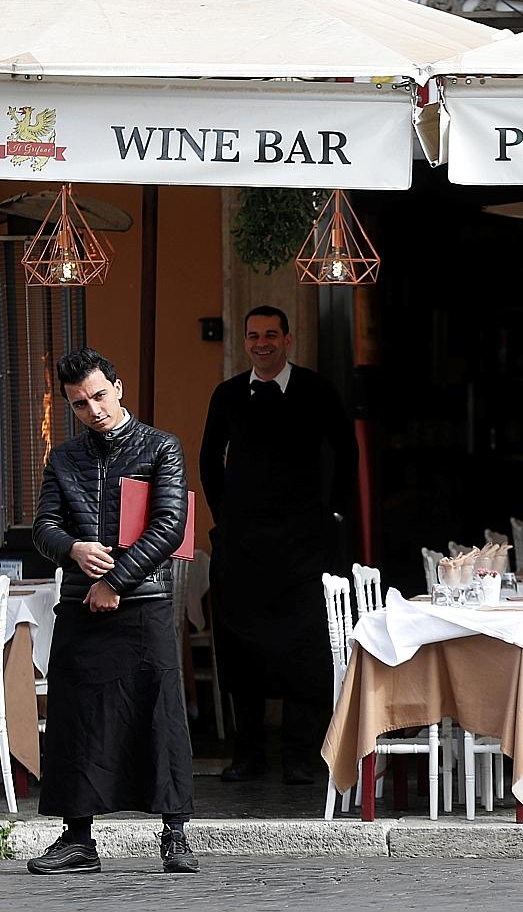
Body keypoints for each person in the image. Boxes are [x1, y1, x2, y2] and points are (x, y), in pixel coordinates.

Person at [27, 347, 198, 875]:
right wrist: (73, 551)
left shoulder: (160, 448)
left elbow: (170, 526)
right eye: (80, 404)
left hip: (141, 603)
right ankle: (77, 840)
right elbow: (43, 527)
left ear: (118, 387)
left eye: (99, 396)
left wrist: (116, 582)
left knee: (159, 714)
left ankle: (174, 836)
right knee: (76, 719)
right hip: (81, 604)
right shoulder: (63, 459)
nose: (93, 410)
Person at [200, 306, 358, 785]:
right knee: (241, 649)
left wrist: (333, 512)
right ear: (245, 342)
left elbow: (347, 451)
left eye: (271, 334)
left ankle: (298, 755)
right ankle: (246, 755)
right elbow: (209, 459)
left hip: (305, 544)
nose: (262, 343)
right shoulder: (228, 394)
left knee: (305, 649)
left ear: (288, 339)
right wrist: (224, 520)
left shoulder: (316, 390)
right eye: (253, 336)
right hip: (243, 546)